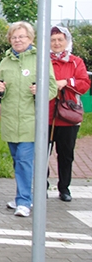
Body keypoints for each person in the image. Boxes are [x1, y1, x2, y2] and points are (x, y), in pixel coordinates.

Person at [0, 21, 57, 217]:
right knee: (17, 160)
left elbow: (52, 88)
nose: (17, 40)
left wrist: (40, 91)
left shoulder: (40, 59)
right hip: (10, 120)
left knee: (24, 160)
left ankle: (24, 201)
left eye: (21, 36)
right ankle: (22, 195)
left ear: (30, 38)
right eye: (14, 37)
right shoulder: (6, 61)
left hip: (31, 120)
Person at [48, 26, 90, 202]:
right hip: (47, 115)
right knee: (43, 153)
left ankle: (64, 187)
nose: (57, 43)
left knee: (66, 154)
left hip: (68, 115)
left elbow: (84, 84)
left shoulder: (75, 62)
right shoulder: (43, 60)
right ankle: (42, 185)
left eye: (60, 40)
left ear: (66, 42)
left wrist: (66, 82)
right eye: (53, 40)